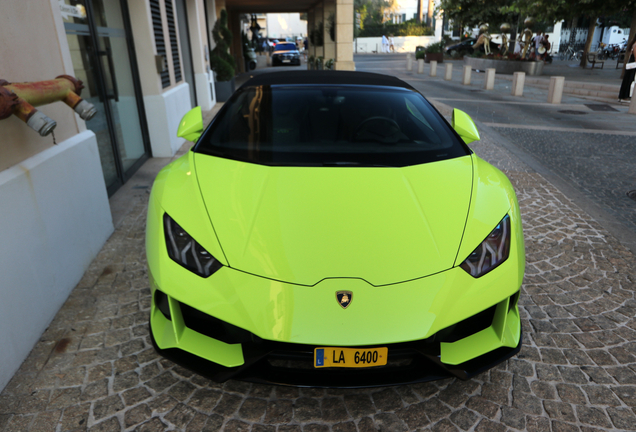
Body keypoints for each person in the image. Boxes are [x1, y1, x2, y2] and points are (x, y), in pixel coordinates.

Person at [618, 34, 636, 101]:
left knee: (628, 80)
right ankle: (626, 95)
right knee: (630, 80)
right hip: (633, 66)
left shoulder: (633, 44)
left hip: (631, 65)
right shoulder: (635, 45)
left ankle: (625, 95)